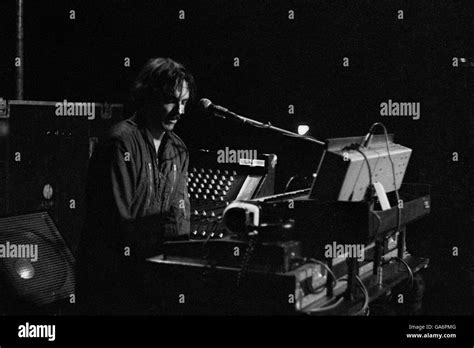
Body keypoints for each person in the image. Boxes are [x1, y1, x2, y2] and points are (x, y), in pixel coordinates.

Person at [76, 57, 196, 314]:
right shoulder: (120, 143)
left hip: (151, 280)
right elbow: (117, 226)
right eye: (171, 101)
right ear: (148, 96)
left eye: (184, 102)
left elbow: (178, 220)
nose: (180, 111)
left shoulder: (178, 149)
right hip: (113, 284)